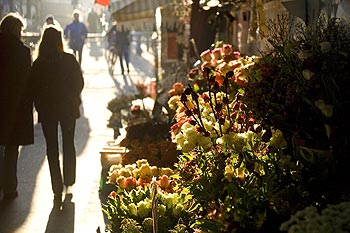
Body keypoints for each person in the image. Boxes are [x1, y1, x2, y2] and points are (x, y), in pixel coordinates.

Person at [30, 25, 84, 208]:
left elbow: (33, 88)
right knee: (68, 143)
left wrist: (39, 104)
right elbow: (79, 82)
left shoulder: (38, 64)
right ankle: (69, 180)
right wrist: (73, 96)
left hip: (48, 110)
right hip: (68, 108)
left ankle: (56, 188)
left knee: (51, 148)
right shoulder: (69, 59)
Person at [0, 12, 34, 200]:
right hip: (14, 108)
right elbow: (27, 82)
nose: (22, 33)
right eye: (20, 29)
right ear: (14, 29)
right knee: (12, 150)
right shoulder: (22, 52)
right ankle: (9, 188)